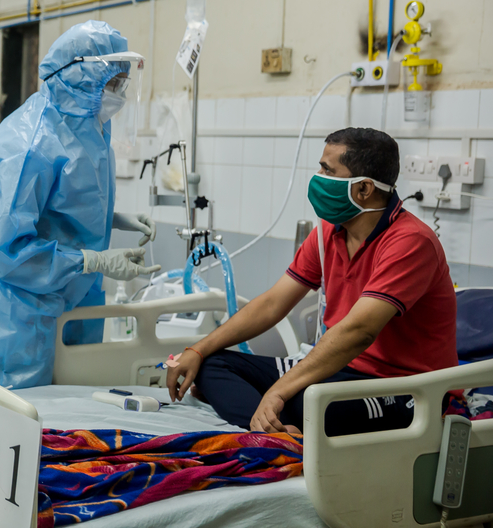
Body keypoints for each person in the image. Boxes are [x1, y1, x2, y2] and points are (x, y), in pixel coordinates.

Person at [166, 127, 458, 436]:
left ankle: (264, 420)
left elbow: (358, 332)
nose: (318, 176)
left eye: (327, 170)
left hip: (405, 389)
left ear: (363, 189)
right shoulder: (328, 233)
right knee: (212, 366)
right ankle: (272, 431)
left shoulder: (410, 242)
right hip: (338, 371)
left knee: (310, 402)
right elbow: (272, 304)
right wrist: (197, 350)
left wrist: (277, 391)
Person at [0, 20, 162, 390]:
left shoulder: (87, 127)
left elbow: (59, 208)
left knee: (68, 435)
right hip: (12, 320)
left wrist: (115, 220)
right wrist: (92, 260)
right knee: (14, 431)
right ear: (78, 77)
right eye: (112, 83)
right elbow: (8, 248)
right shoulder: (32, 143)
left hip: (66, 302)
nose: (119, 93)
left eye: (121, 83)